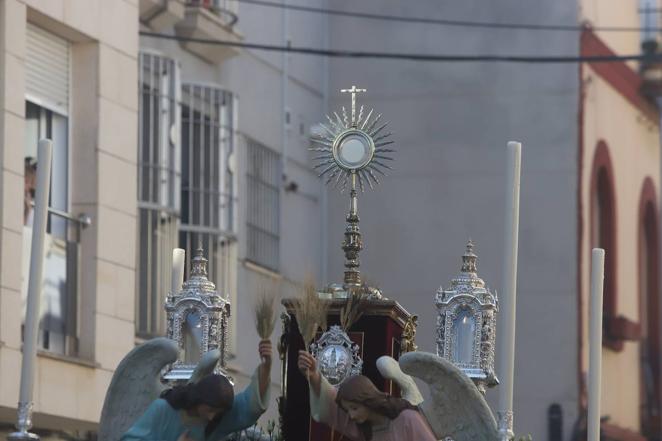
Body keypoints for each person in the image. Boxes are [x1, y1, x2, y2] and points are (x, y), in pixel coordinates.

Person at [122, 340, 272, 441]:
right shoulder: (163, 409)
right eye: (210, 409)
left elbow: (249, 405)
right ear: (200, 398)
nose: (212, 416)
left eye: (217, 412)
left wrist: (266, 365)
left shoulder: (216, 421)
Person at [298, 350, 436, 441]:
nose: (351, 415)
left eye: (354, 408)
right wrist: (314, 376)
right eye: (348, 410)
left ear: (367, 401)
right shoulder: (363, 427)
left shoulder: (407, 419)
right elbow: (332, 406)